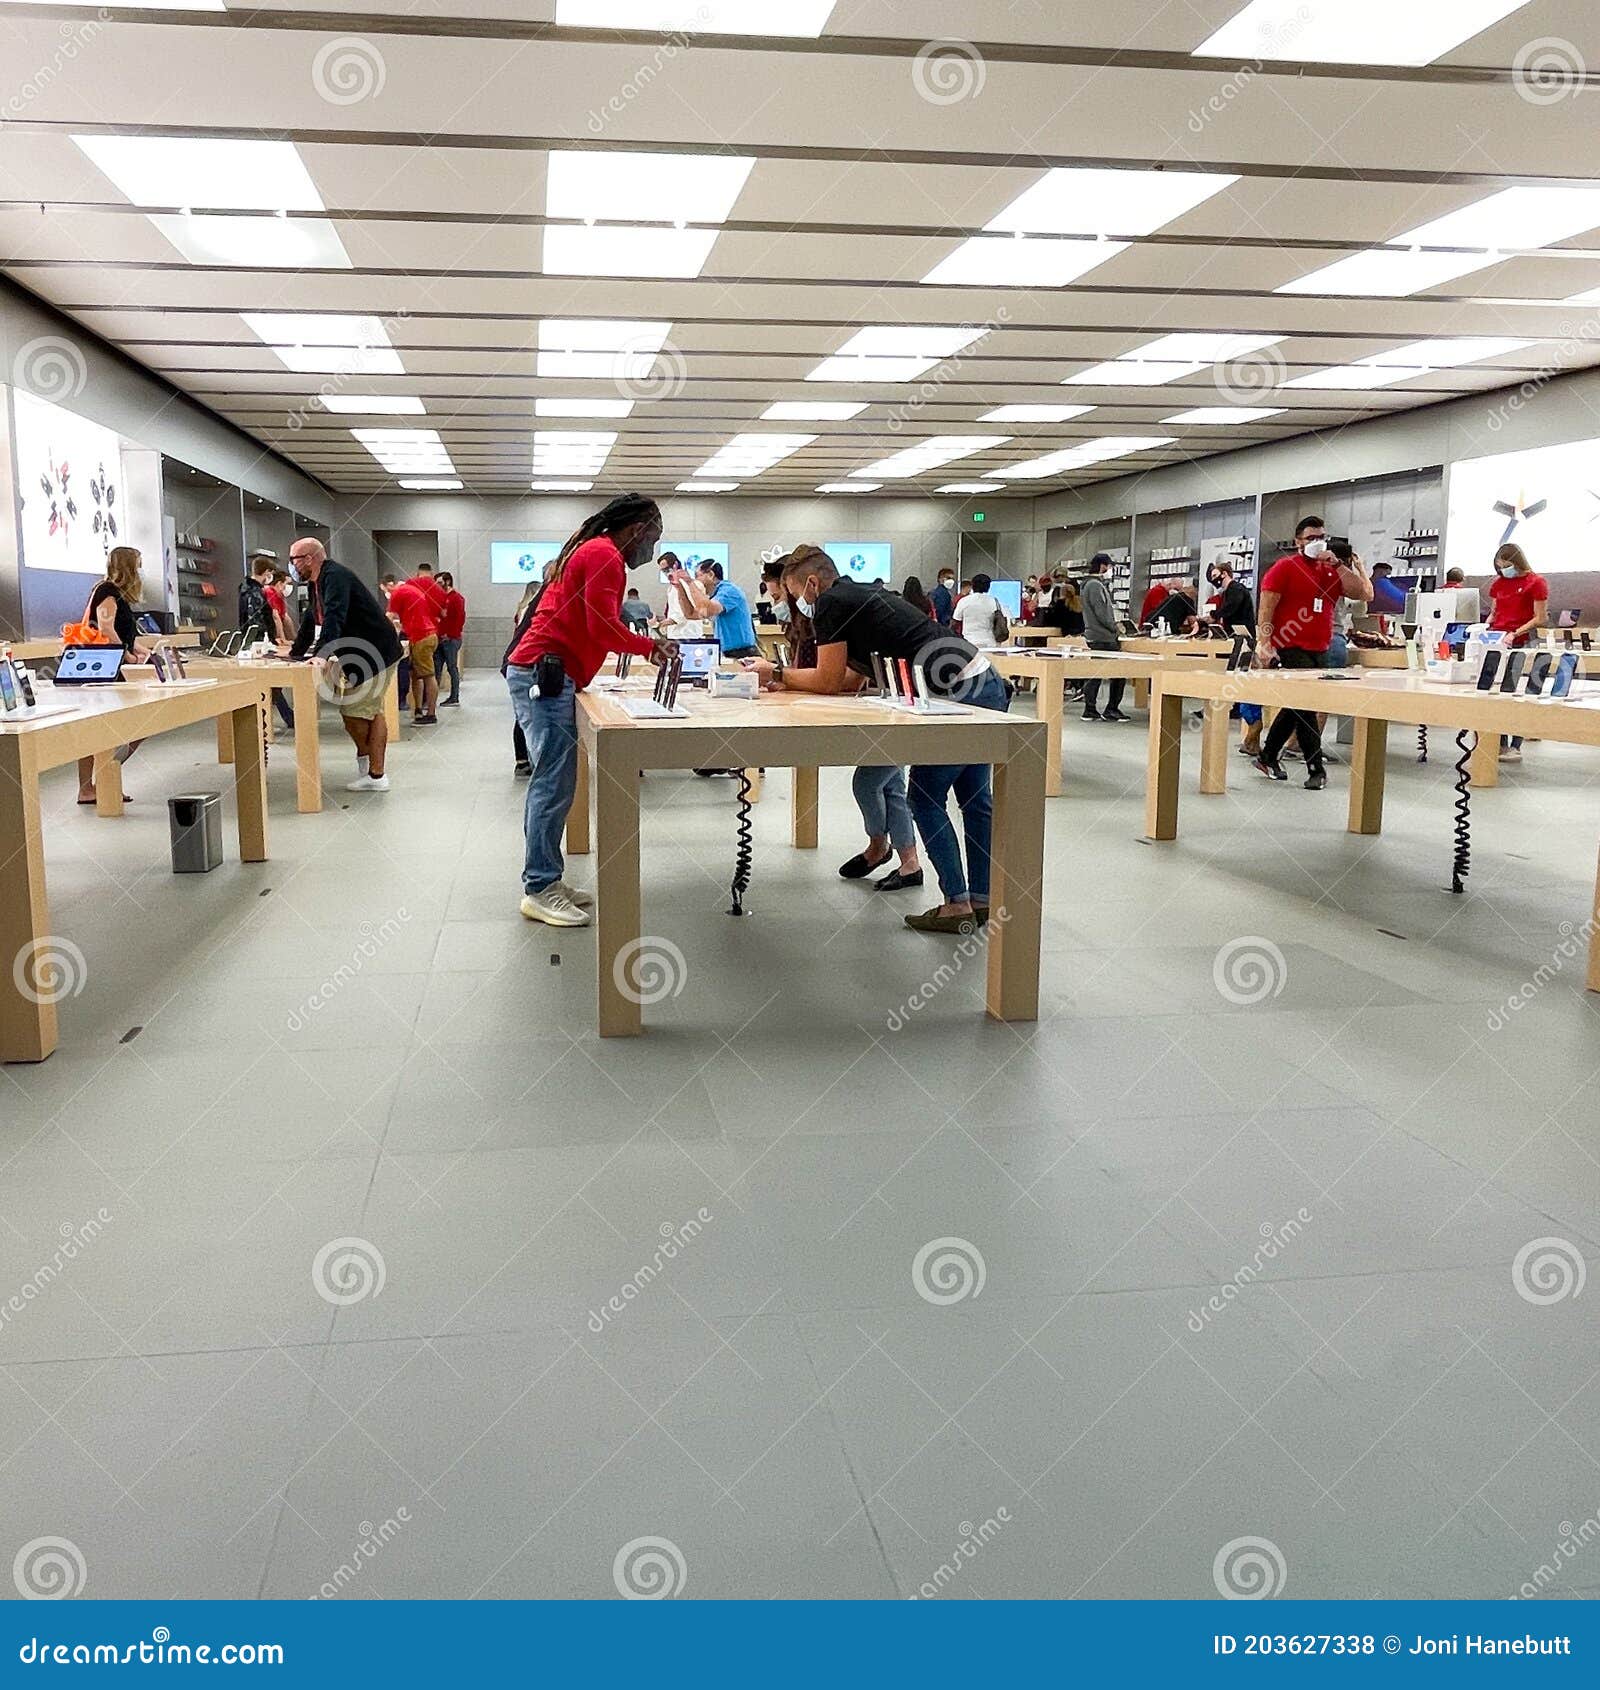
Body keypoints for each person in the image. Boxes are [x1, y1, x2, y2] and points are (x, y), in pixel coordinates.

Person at [748, 546, 1008, 935]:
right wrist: (785, 679)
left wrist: (778, 673)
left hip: (956, 692)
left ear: (813, 584)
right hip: (982, 680)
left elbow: (829, 679)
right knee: (974, 798)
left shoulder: (832, 602)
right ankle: (984, 898)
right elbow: (851, 678)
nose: (794, 604)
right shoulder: (859, 595)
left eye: (791, 592)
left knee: (924, 795)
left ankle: (957, 905)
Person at [504, 495, 677, 928]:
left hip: (549, 672)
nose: (652, 549)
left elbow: (591, 625)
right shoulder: (604, 555)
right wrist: (649, 646)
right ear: (636, 529)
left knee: (556, 781)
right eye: (653, 537)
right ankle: (539, 887)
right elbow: (600, 626)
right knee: (552, 782)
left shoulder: (592, 549)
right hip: (544, 673)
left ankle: (547, 879)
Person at [1251, 516, 1373, 789]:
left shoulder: (1330, 570)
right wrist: (1264, 641)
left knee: (1296, 705)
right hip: (1290, 644)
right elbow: (1266, 607)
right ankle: (1315, 768)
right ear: (1298, 542)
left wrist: (1340, 564)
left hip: (1321, 646)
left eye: (1321, 538)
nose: (1317, 543)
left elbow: (1364, 593)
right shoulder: (1284, 568)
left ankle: (1267, 755)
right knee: (1305, 705)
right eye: (1311, 539)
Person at [285, 539, 402, 792]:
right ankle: (371, 771)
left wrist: (323, 653)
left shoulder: (335, 576)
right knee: (366, 710)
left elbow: (335, 614)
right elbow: (310, 619)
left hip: (376, 651)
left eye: (294, 559)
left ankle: (376, 775)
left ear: (308, 558)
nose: (291, 566)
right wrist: (295, 653)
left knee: (356, 711)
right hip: (364, 651)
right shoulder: (320, 581)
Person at [75, 546, 154, 804]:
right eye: (138, 565)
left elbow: (122, 633)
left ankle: (99, 783)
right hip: (104, 670)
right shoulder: (108, 591)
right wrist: (127, 655)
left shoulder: (114, 593)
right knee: (121, 726)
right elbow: (106, 628)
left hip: (108, 666)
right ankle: (103, 782)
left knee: (102, 728)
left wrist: (140, 649)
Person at [1488, 542, 1549, 762]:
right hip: (1498, 641)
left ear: (1517, 562)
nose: (1504, 570)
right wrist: (1486, 624)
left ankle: (1516, 744)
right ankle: (1500, 742)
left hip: (1523, 640)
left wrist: (1515, 632)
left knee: (1519, 692)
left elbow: (1540, 618)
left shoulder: (1536, 582)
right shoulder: (1498, 584)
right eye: (1500, 566)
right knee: (1496, 691)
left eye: (1506, 565)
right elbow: (1494, 612)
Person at [671, 558, 759, 658]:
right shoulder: (715, 596)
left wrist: (690, 582)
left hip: (742, 653)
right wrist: (680, 588)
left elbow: (707, 610)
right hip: (727, 652)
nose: (696, 581)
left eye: (697, 576)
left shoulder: (728, 591)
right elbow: (690, 614)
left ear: (711, 575)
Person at [1079, 553, 1128, 723]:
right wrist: (1115, 628)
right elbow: (1102, 613)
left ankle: (1091, 709)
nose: (1110, 570)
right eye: (1109, 566)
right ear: (1103, 566)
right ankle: (1111, 709)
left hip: (1095, 634)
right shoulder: (1095, 586)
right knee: (1119, 673)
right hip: (1103, 636)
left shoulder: (1088, 585)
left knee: (1096, 672)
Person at [249, 557, 297, 731]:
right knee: (272, 683)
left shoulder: (274, 594)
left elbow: (285, 618)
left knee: (274, 685)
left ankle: (286, 716)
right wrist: (281, 639)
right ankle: (281, 718)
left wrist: (292, 639)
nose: (287, 588)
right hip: (266, 641)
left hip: (271, 640)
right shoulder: (269, 592)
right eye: (286, 584)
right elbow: (275, 617)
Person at [435, 571, 466, 707]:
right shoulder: (440, 598)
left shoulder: (456, 598)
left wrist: (450, 634)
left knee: (452, 668)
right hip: (440, 638)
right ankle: (431, 698)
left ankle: (454, 696)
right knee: (436, 668)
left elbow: (459, 619)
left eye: (440, 583)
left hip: (451, 639)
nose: (437, 586)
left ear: (447, 582)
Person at [954, 572, 1004, 649]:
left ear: (972, 586)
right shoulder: (994, 601)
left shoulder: (964, 601)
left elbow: (955, 621)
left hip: (969, 642)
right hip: (990, 642)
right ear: (988, 587)